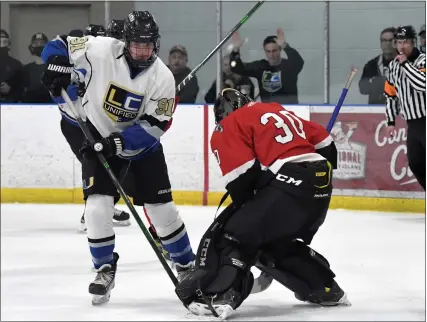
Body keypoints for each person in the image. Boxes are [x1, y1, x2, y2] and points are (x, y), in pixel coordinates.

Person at [41, 11, 196, 305]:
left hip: (143, 151)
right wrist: (55, 62)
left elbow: (156, 126)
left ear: (156, 45)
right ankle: (104, 269)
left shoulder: (162, 77)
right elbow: (60, 43)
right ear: (125, 42)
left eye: (148, 45)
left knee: (162, 212)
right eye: (137, 45)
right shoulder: (99, 49)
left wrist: (119, 142)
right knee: (98, 208)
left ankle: (187, 266)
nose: (142, 51)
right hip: (100, 141)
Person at [175, 88, 350, 319]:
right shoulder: (275, 109)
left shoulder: (228, 124)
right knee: (270, 239)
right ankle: (324, 288)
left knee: (235, 233)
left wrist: (252, 204)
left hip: (288, 186)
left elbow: (242, 180)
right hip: (320, 189)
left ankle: (221, 294)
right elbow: (328, 147)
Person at [49, 29, 132, 233]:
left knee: (116, 165)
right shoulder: (80, 54)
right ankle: (91, 212)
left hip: (97, 123)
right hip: (75, 124)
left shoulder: (115, 63)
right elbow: (57, 88)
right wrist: (57, 68)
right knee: (95, 164)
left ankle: (106, 206)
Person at [384, 25, 426, 190]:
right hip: (413, 124)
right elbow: (390, 95)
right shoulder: (393, 66)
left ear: (413, 42)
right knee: (416, 163)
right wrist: (390, 121)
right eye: (398, 42)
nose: (402, 46)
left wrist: (406, 65)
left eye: (406, 42)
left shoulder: (423, 60)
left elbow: (422, 84)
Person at [229, 28, 304, 104]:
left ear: (280, 50)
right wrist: (235, 50)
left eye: (274, 51)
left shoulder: (289, 66)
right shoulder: (261, 67)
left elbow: (299, 62)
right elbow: (236, 68)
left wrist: (285, 46)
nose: (271, 55)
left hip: (289, 109)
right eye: (268, 51)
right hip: (268, 111)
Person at [359, 27, 396, 104]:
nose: (387, 44)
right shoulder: (371, 65)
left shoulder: (405, 63)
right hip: (376, 109)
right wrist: (377, 84)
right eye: (384, 40)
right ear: (380, 43)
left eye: (390, 40)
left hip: (399, 110)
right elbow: (363, 89)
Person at [22, 32, 52, 103]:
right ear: (31, 47)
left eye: (42, 43)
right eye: (36, 43)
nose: (39, 45)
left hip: (50, 106)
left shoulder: (54, 67)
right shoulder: (26, 68)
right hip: (31, 106)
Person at [0, 29, 25, 103]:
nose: (1, 45)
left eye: (4, 42)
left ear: (8, 43)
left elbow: (22, 87)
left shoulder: (16, 64)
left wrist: (10, 88)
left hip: (10, 104)